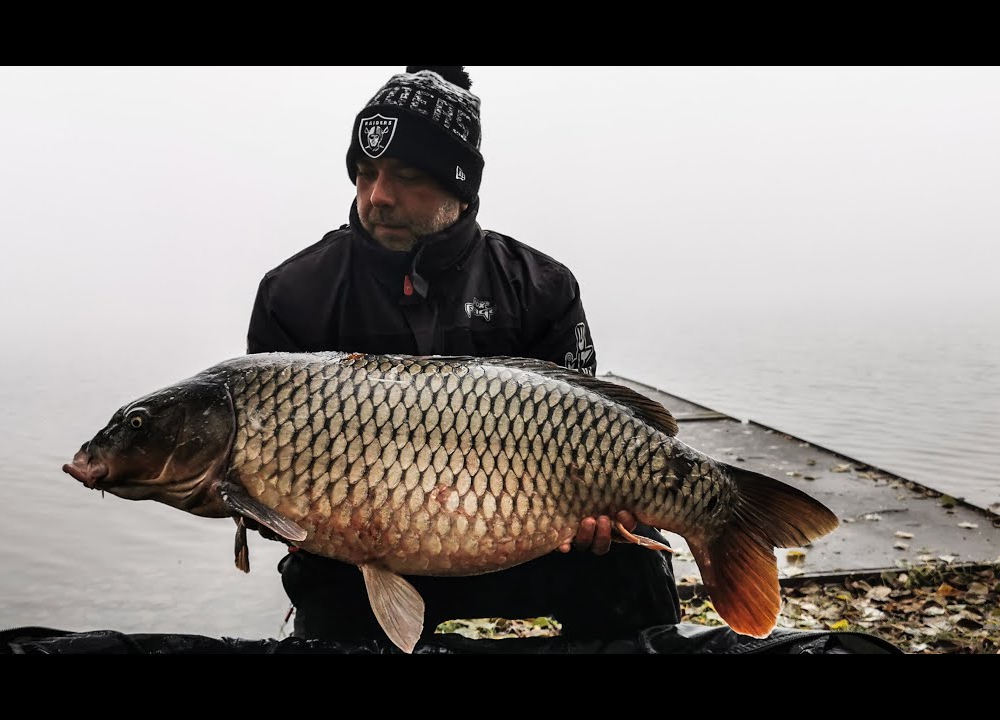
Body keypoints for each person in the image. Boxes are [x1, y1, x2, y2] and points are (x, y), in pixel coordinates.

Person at [245, 65, 682, 646]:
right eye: (365, 173)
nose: (378, 196)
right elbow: (267, 473)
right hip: (354, 560)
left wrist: (604, 517)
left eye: (405, 176)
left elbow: (590, 429)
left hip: (524, 541)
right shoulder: (293, 295)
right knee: (328, 608)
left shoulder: (540, 287)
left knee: (633, 570)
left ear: (459, 186)